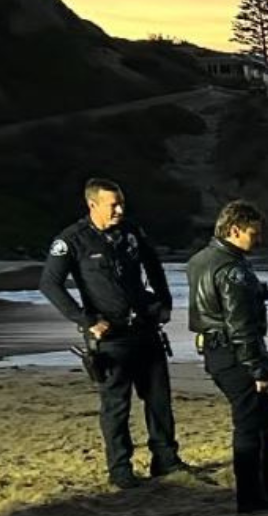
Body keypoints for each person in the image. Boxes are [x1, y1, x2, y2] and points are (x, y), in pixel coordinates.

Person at [40, 177, 187, 488]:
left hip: (145, 329)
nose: (120, 209)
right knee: (116, 405)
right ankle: (120, 469)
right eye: (113, 204)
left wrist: (164, 302)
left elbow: (154, 264)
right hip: (109, 337)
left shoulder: (131, 232)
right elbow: (49, 284)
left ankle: (166, 460)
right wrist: (85, 319)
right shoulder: (72, 240)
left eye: (122, 202)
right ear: (92, 205)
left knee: (159, 400)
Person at [187, 201, 268, 513]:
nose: (258, 239)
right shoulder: (233, 271)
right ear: (234, 230)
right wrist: (258, 369)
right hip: (233, 353)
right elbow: (241, 326)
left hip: (216, 349)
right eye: (253, 233)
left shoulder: (200, 260)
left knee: (264, 417)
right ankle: (250, 496)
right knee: (249, 422)